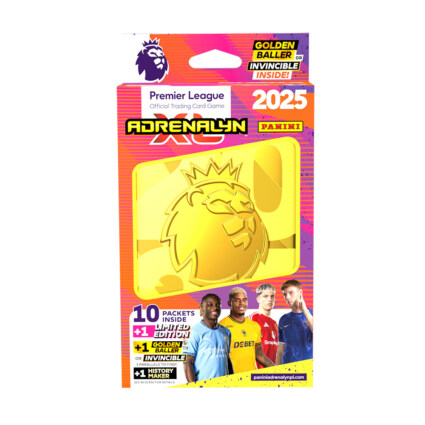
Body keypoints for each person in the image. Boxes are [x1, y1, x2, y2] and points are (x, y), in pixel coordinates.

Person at [219, 287, 275, 373]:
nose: (242, 303)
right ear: (229, 303)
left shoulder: (254, 326)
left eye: (244, 300)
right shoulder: (222, 326)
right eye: (237, 300)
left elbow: (259, 355)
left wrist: (277, 370)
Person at [183, 294, 233, 383]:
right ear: (202, 308)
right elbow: (187, 362)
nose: (215, 308)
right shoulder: (194, 332)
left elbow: (227, 359)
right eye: (210, 305)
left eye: (217, 305)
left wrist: (233, 381)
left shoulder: (226, 332)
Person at [276, 280, 313, 365]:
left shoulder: (312, 314)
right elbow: (281, 350)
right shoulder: (283, 319)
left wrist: (304, 310)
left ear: (300, 292)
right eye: (285, 294)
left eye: (291, 293)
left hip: (308, 367)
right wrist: (276, 370)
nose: (287, 297)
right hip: (287, 367)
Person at [248, 283, 279, 367]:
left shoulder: (274, 323)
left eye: (272, 296)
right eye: (265, 296)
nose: (270, 299)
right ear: (258, 299)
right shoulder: (253, 318)